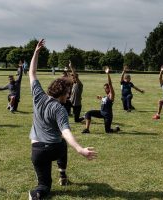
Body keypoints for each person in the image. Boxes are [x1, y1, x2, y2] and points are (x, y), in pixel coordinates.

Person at [28, 39, 97, 200]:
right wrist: (80, 149)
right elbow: (66, 132)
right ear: (62, 93)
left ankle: (35, 194)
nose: (69, 95)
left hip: (36, 151)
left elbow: (31, 73)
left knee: (44, 186)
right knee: (62, 143)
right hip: (53, 149)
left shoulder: (38, 96)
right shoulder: (60, 109)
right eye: (67, 93)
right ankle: (62, 172)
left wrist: (36, 52)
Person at [81, 67, 120, 134]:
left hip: (108, 115)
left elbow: (110, 84)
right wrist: (101, 98)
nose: (105, 89)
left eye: (106, 88)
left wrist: (108, 74)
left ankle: (116, 129)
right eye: (104, 88)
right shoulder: (106, 96)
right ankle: (87, 129)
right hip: (101, 112)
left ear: (109, 88)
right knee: (88, 113)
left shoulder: (111, 94)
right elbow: (105, 100)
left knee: (107, 131)